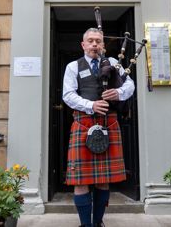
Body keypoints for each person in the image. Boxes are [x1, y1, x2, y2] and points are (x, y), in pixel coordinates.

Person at [62, 28, 135, 227]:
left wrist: (118, 93)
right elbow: (67, 95)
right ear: (83, 45)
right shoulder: (73, 66)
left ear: (103, 45)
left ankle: (98, 223)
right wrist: (90, 105)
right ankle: (86, 225)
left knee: (103, 179)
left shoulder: (113, 63)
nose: (95, 44)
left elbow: (130, 85)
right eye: (91, 41)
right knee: (81, 180)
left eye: (98, 41)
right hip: (83, 123)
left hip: (108, 123)